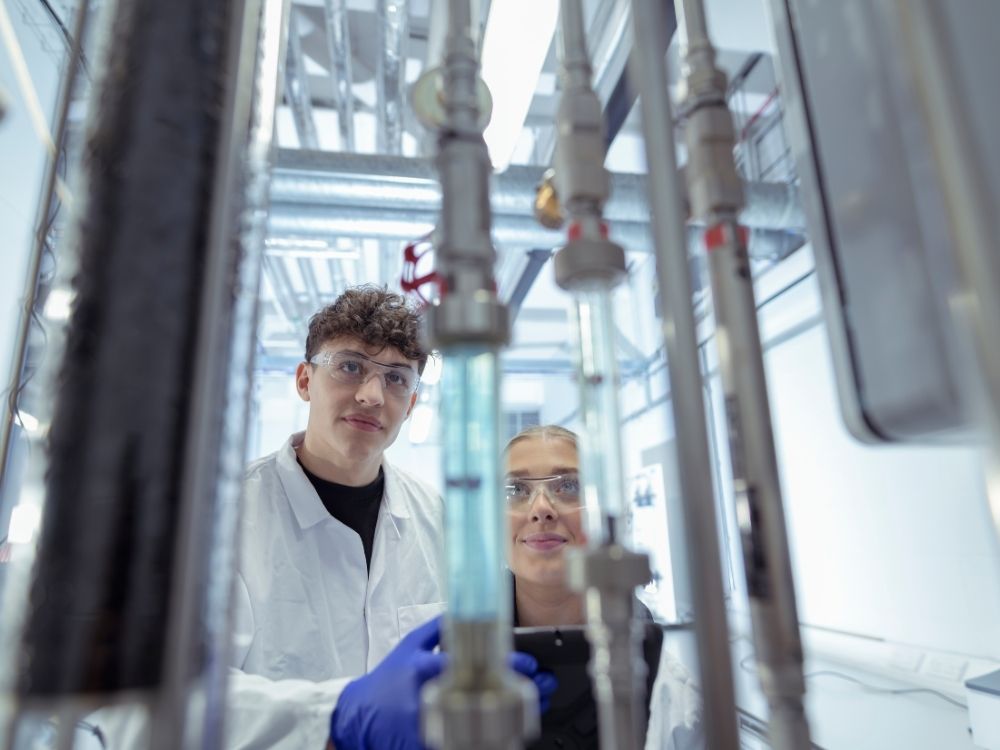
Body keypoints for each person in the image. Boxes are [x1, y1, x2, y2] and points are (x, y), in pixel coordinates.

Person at [503, 425, 705, 750]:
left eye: (569, 485)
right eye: (515, 490)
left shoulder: (677, 698)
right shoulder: (450, 676)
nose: (541, 509)